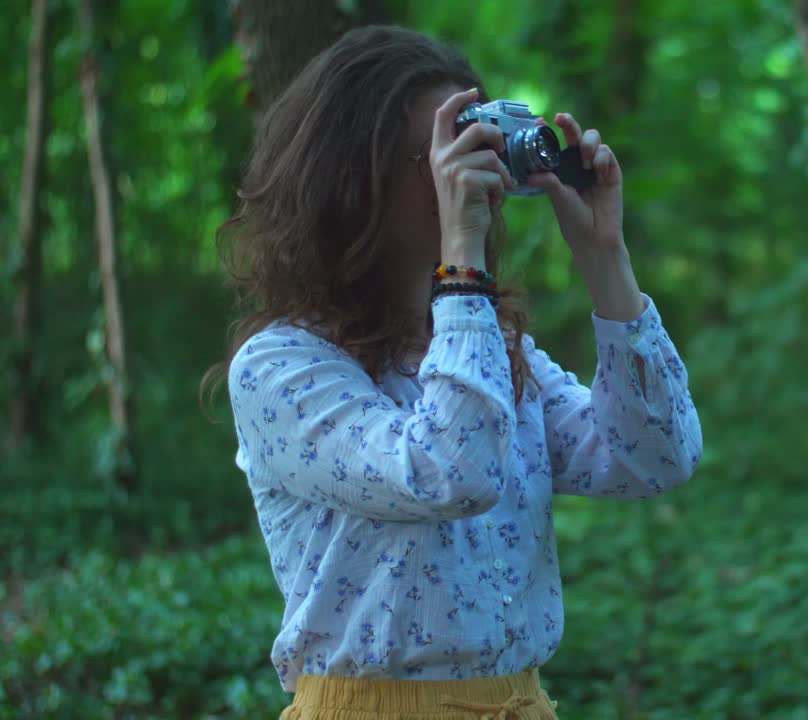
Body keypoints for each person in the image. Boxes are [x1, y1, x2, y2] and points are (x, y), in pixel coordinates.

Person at [209, 24, 702, 720]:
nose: (471, 175)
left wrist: (604, 258)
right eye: (439, 154)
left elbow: (653, 458)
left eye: (477, 148)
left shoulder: (491, 350)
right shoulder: (280, 368)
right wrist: (462, 258)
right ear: (351, 175)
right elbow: (450, 469)